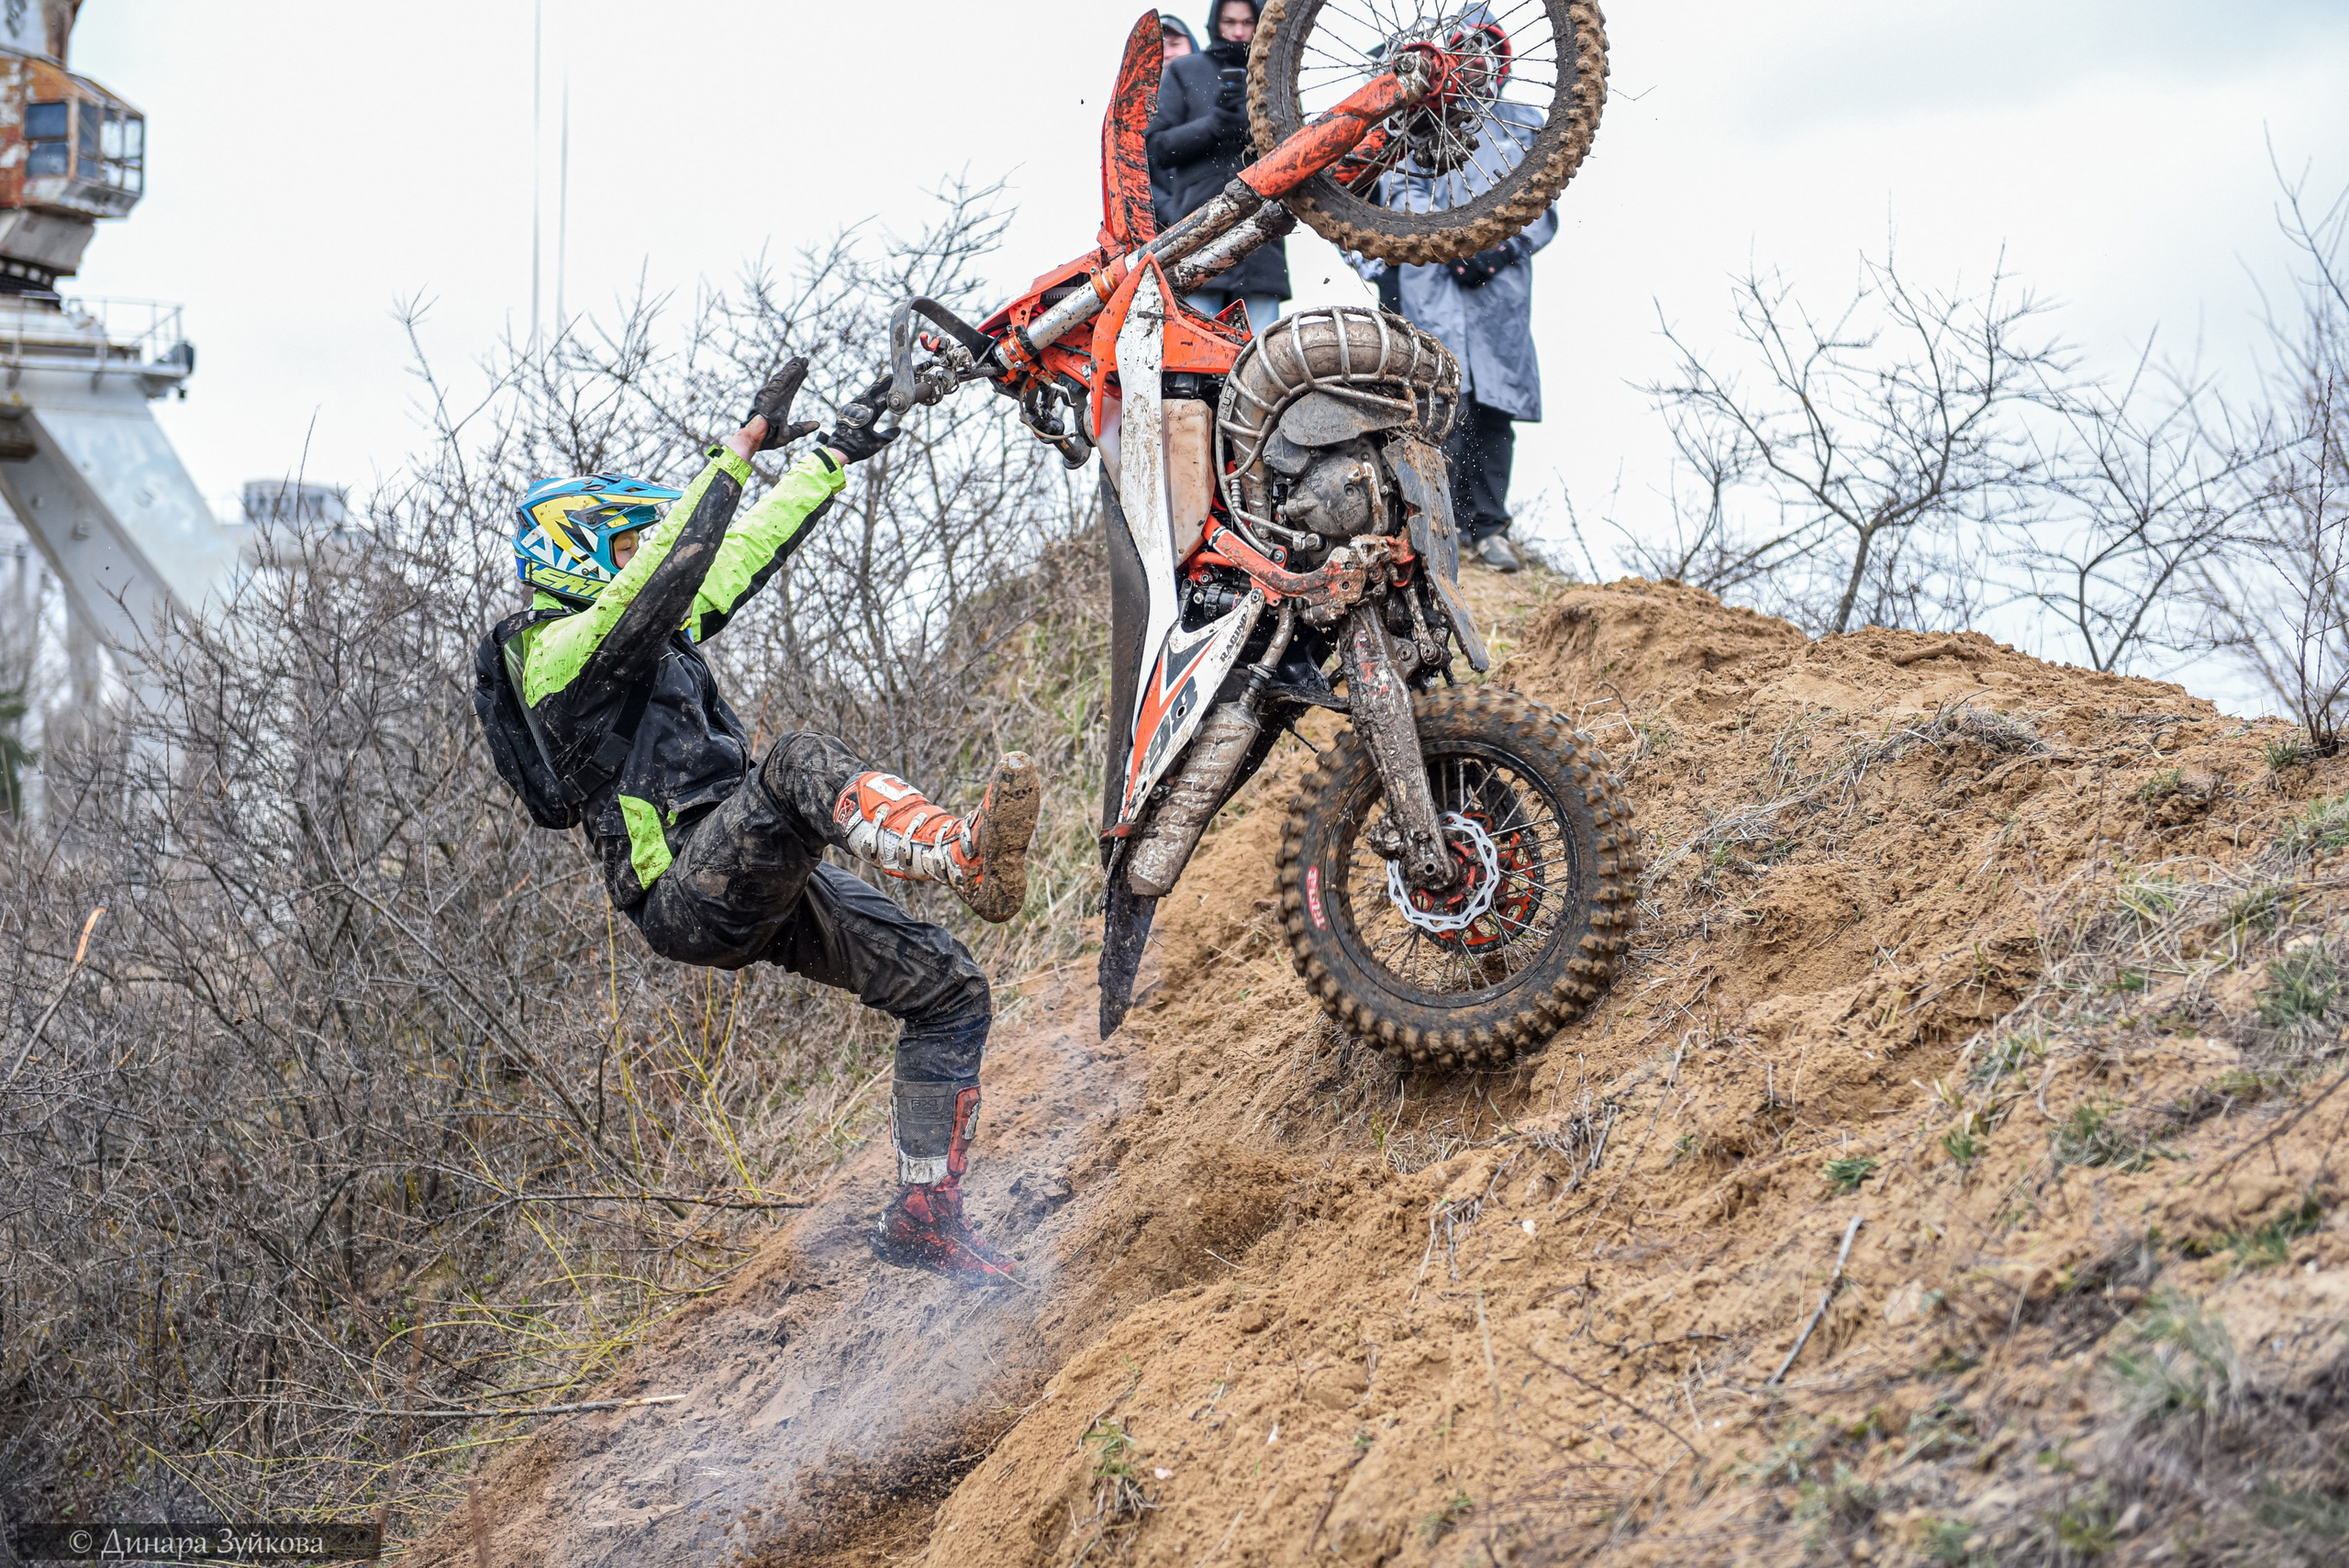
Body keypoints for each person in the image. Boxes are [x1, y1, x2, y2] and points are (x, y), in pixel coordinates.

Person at [486, 359, 1040, 1282]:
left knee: (947, 987)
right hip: (685, 890)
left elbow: (731, 555)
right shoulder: (552, 655)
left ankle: (924, 1213)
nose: (641, 560)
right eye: (621, 546)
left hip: (746, 859)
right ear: (575, 551)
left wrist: (830, 453)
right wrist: (738, 446)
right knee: (791, 762)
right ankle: (958, 852)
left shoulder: (643, 631)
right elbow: (665, 572)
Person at [1362, 15, 1554, 573]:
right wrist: (1423, 251)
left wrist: (1491, 252)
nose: (1473, 60)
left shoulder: (1524, 123)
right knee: (1433, 406)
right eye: (1461, 49)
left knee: (1495, 407)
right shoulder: (1411, 120)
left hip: (1497, 290)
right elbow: (1380, 197)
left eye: (1485, 52)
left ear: (1502, 64)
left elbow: (1546, 208)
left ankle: (1489, 530)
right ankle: (1430, 527)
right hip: (1425, 285)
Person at [1146, 0, 1288, 336]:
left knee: (1264, 364)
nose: (1238, 31)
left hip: (1262, 239)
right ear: (1215, 23)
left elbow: (1294, 147)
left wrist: (1253, 129)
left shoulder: (1274, 75)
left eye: (1246, 22)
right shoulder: (1186, 70)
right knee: (1197, 361)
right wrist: (1214, 125)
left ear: (1260, 23)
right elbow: (1157, 148)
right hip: (1198, 236)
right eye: (1229, 22)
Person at [1149, 14, 1199, 231]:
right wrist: (1173, 213)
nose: (1167, 53)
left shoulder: (1217, 100)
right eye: (1158, 48)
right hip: (1166, 236)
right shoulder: (1136, 115)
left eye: (1175, 44)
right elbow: (1133, 177)